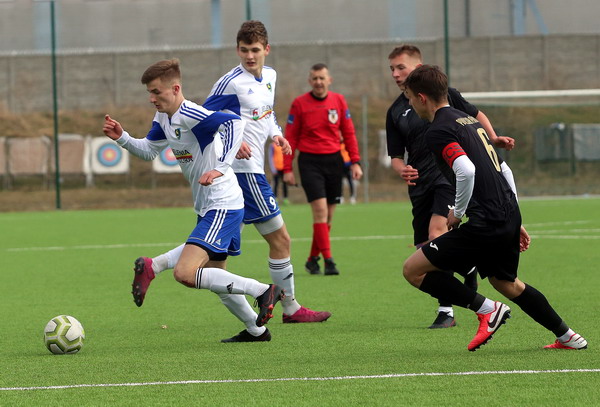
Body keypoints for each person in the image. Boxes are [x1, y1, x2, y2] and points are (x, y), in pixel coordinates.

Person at [135, 21, 331, 335]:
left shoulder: (270, 76)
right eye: (243, 50)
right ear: (237, 50)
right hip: (243, 171)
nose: (249, 56)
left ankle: (254, 328)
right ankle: (290, 308)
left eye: (255, 50)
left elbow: (266, 113)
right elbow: (207, 117)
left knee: (214, 259)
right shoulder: (229, 82)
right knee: (280, 240)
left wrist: (276, 134)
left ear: (266, 49)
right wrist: (231, 141)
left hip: (247, 171)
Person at [402, 64, 587, 351]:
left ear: (422, 97)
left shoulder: (438, 130)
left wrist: (457, 213)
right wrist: (516, 219)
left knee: (413, 270)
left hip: (485, 222)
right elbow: (505, 169)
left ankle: (488, 310)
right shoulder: (469, 121)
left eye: (411, 99)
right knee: (506, 283)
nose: (411, 105)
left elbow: (466, 170)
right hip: (506, 212)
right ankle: (568, 336)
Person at [102, 58, 284, 343]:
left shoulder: (191, 113)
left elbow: (233, 123)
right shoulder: (164, 118)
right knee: (216, 277)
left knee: (186, 273)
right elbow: (149, 150)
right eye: (149, 93)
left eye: (156, 92)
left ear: (175, 89)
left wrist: (220, 167)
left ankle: (262, 291)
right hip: (208, 205)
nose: (151, 98)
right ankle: (256, 330)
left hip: (223, 204)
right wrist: (122, 137)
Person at [386, 44, 515, 329]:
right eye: (392, 69)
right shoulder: (396, 110)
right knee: (425, 246)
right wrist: (401, 169)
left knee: (437, 234)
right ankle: (467, 267)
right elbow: (395, 154)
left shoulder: (444, 96)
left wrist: (492, 138)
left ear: (418, 68)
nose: (395, 74)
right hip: (420, 185)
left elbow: (475, 116)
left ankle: (447, 311)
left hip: (447, 178)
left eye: (401, 67)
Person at [284, 63, 363, 276]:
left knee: (328, 217)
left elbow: (349, 132)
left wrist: (355, 161)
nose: (318, 82)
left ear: (329, 80)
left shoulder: (339, 101)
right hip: (310, 162)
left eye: (322, 78)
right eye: (315, 78)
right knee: (320, 212)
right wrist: (287, 168)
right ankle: (329, 261)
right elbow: (290, 137)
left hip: (334, 162)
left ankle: (312, 260)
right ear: (309, 81)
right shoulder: (299, 103)